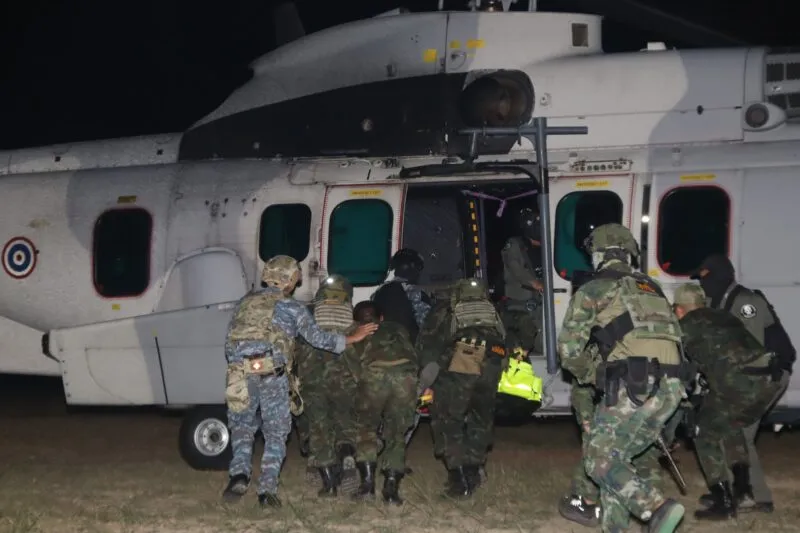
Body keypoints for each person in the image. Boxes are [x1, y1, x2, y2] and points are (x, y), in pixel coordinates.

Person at [558, 223, 689, 533]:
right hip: (672, 386)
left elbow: (569, 351)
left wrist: (594, 376)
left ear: (599, 255)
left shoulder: (595, 288)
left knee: (598, 460)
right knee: (618, 460)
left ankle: (654, 506)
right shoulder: (652, 289)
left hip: (634, 384)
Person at [221, 256, 377, 507]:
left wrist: (240, 366)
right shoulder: (291, 307)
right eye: (296, 277)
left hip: (239, 373)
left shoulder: (244, 302)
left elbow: (229, 340)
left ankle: (239, 475)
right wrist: (352, 338)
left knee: (242, 427)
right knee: (275, 432)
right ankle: (267, 491)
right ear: (290, 279)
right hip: (272, 374)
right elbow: (318, 339)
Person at [691, 253, 795, 513]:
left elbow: (751, 353)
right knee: (726, 429)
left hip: (767, 375)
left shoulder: (746, 302)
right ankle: (733, 491)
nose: (703, 286)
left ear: (721, 277)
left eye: (706, 279)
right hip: (746, 376)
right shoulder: (718, 301)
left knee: (738, 432)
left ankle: (755, 497)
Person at [673, 283, 782, 520]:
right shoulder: (724, 316)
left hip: (739, 381)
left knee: (703, 432)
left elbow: (676, 361)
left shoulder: (686, 323)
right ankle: (743, 492)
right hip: (768, 380)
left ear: (680, 309)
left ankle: (723, 502)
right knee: (731, 426)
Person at [425, 278, 507, 498]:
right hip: (492, 365)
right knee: (481, 419)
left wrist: (428, 378)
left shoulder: (446, 311)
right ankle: (474, 471)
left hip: (461, 365)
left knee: (448, 420)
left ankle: (458, 481)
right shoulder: (492, 312)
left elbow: (429, 345)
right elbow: (506, 339)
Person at [298, 274, 361, 497]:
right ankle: (348, 458)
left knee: (320, 430)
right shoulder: (354, 327)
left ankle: (328, 485)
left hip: (314, 384)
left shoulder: (309, 325)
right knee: (346, 425)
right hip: (346, 384)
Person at [351, 301, 419, 504]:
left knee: (366, 429)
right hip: (405, 378)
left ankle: (367, 487)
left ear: (356, 320)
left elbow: (352, 365)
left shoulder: (356, 332)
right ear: (381, 317)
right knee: (396, 433)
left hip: (374, 377)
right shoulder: (399, 329)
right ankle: (391, 491)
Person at [498, 207, 544, 354]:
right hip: (521, 302)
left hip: (541, 302)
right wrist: (534, 283)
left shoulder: (548, 246)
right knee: (522, 340)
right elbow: (516, 269)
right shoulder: (515, 244)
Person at [371, 248, 431, 342]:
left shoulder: (378, 291)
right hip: (408, 346)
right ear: (413, 268)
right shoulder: (414, 291)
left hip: (382, 343)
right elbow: (426, 325)